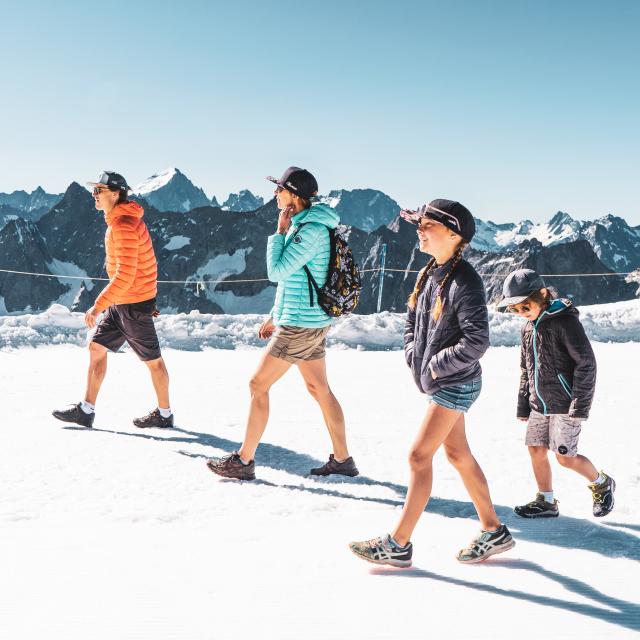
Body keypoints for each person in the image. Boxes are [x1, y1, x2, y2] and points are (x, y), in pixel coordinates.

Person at [349, 199, 514, 567]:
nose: (420, 231)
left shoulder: (464, 281)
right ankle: (494, 529)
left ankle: (399, 544)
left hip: (454, 383)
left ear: (453, 235)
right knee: (457, 454)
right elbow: (412, 321)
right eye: (420, 225)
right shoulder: (431, 272)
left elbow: (477, 340)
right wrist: (413, 354)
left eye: (428, 226)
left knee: (418, 456)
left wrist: (436, 366)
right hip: (442, 380)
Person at [206, 167, 357, 481]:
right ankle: (342, 459)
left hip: (300, 324)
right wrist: (275, 315)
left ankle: (243, 461)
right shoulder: (308, 226)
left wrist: (278, 231)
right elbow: (293, 279)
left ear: (294, 195)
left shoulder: (309, 230)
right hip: (309, 320)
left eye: (279, 189)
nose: (275, 193)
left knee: (258, 384)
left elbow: (276, 272)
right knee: (319, 388)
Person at [52, 171, 173, 429]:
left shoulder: (124, 226)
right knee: (96, 348)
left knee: (153, 362)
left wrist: (98, 305)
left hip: (132, 303)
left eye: (99, 191)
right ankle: (86, 410)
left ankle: (164, 415)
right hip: (124, 301)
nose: (94, 195)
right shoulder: (119, 221)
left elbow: (125, 275)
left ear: (115, 194)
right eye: (94, 191)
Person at [497, 268, 615, 518]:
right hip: (539, 403)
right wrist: (523, 403)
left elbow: (586, 363)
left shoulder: (565, 322)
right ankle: (546, 501)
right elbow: (525, 368)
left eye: (524, 307)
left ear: (542, 294)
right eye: (514, 310)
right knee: (535, 448)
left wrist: (579, 405)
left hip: (566, 404)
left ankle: (602, 482)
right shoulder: (528, 328)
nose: (520, 313)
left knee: (565, 457)